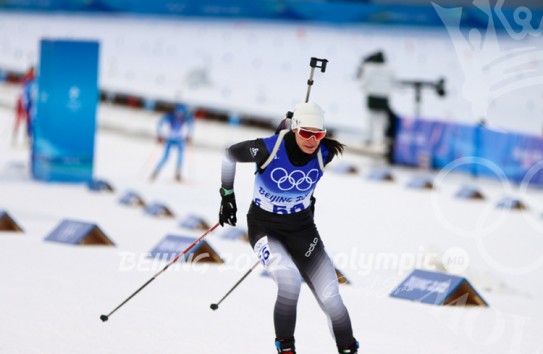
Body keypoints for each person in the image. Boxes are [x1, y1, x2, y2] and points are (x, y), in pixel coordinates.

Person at [218, 102, 359, 354]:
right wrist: (227, 195)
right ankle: (286, 348)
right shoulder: (268, 148)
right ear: (294, 128)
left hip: (302, 230)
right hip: (264, 228)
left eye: (319, 134)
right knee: (289, 282)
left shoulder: (324, 153)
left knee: (331, 297)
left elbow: (308, 183)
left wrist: (309, 201)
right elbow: (229, 154)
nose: (312, 140)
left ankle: (348, 349)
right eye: (306, 133)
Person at [356, 51, 395, 149]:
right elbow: (394, 82)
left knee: (371, 119)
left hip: (372, 97)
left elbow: (363, 82)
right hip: (384, 98)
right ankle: (380, 140)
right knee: (382, 120)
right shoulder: (389, 69)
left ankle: (370, 139)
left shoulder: (369, 68)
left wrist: (366, 89)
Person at [149, 103, 194, 182]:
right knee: (165, 157)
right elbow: (160, 123)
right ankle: (155, 172)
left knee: (180, 157)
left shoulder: (185, 117)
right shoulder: (170, 116)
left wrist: (189, 135)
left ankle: (178, 174)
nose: (179, 115)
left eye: (181, 113)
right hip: (170, 139)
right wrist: (160, 134)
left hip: (179, 140)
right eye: (178, 112)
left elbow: (191, 125)